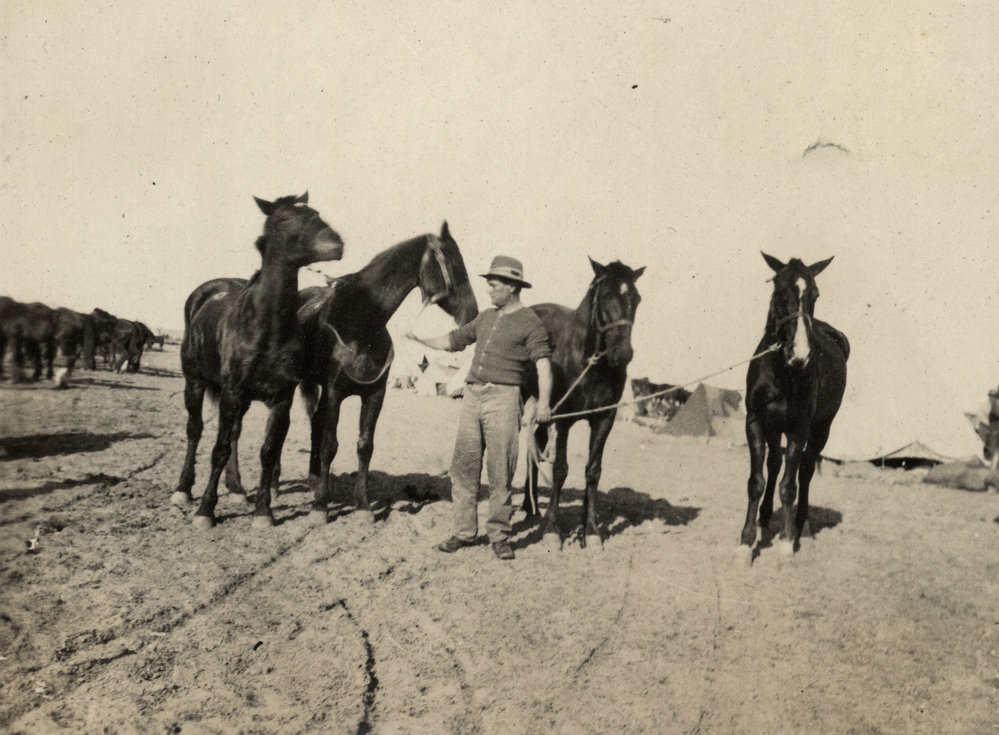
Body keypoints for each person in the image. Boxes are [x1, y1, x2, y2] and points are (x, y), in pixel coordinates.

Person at [407, 255, 553, 560]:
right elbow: (453, 340)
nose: (489, 289)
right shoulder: (486, 317)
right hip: (472, 397)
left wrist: (544, 403)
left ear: (512, 286)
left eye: (494, 284)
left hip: (504, 399)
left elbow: (543, 365)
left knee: (501, 470)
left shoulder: (531, 322)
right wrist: (420, 339)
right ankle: (463, 532)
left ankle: (499, 535)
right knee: (464, 467)